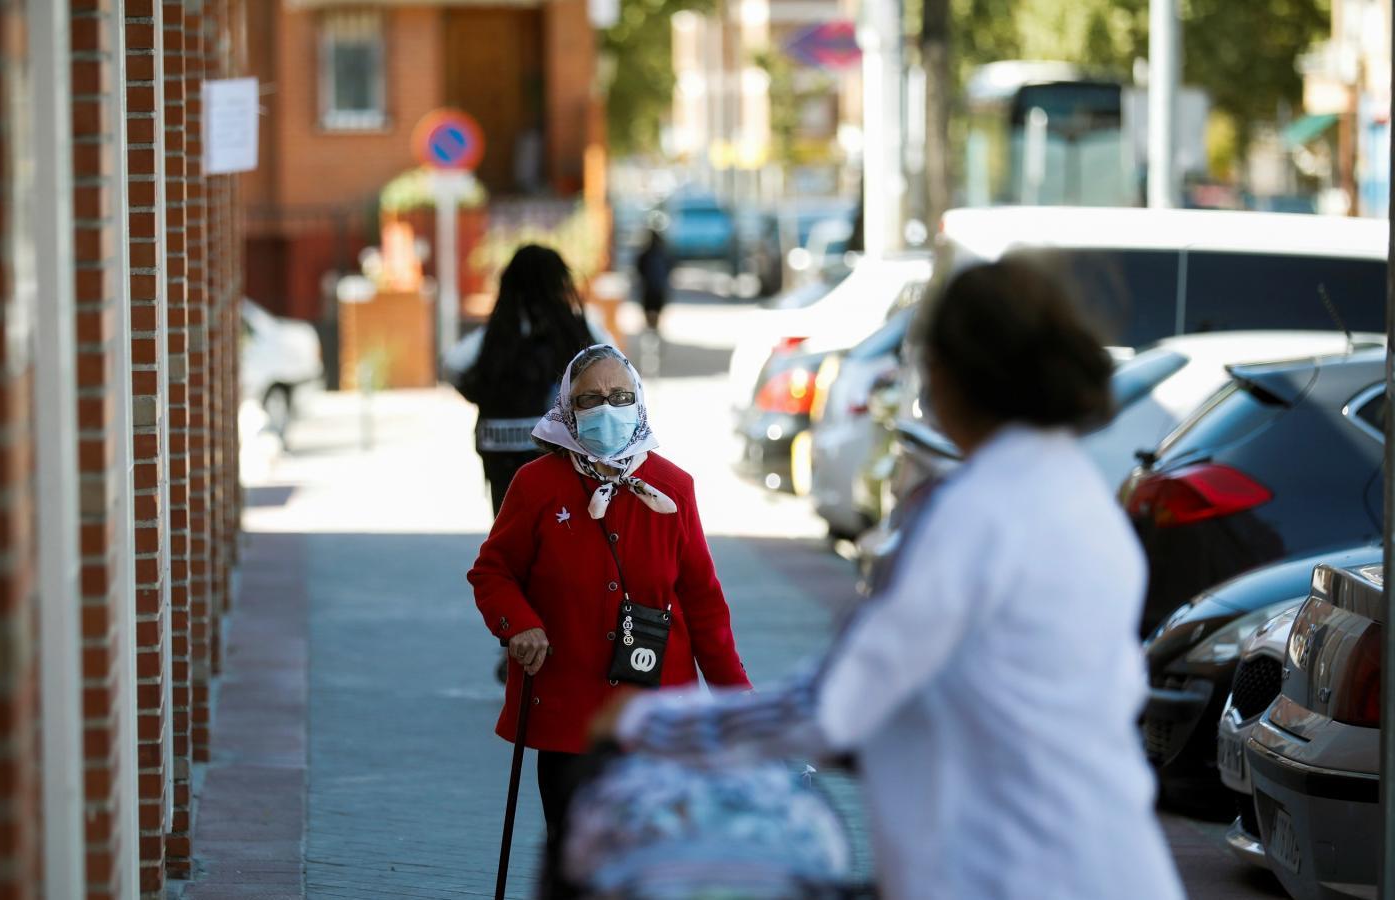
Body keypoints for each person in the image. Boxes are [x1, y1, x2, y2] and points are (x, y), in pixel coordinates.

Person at [592, 260, 1184, 900]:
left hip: (1012, 868)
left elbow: (835, 703)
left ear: (958, 374)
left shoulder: (975, 512)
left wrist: (649, 724)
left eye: (926, 356)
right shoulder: (1076, 491)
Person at [468, 344, 752, 845]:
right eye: (589, 399)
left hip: (659, 716)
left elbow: (705, 606)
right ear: (566, 410)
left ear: (639, 402)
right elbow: (493, 571)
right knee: (577, 854)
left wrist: (739, 707)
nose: (606, 408)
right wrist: (520, 623)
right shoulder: (536, 486)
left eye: (619, 396)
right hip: (569, 716)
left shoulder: (672, 488)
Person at [453, 245, 595, 515]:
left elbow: (454, 364)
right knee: (559, 526)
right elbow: (611, 360)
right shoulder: (573, 327)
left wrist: (481, 394)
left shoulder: (499, 330)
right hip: (558, 446)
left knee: (509, 528)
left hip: (500, 445)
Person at [635, 228, 672, 333]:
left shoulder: (644, 254)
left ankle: (651, 330)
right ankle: (654, 330)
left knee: (649, 312)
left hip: (648, 288)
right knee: (656, 313)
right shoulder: (664, 254)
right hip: (659, 288)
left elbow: (639, 269)